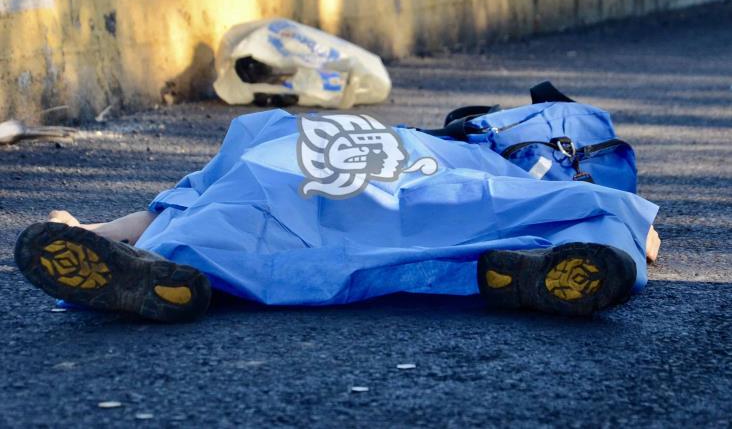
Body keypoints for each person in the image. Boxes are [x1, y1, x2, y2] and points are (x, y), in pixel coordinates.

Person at [14, 109, 661, 323]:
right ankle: (528, 272)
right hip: (449, 188)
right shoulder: (544, 172)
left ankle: (166, 267)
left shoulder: (447, 137)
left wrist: (81, 228)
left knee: (241, 192)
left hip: (329, 163)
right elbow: (646, 235)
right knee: (608, 214)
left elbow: (174, 200)